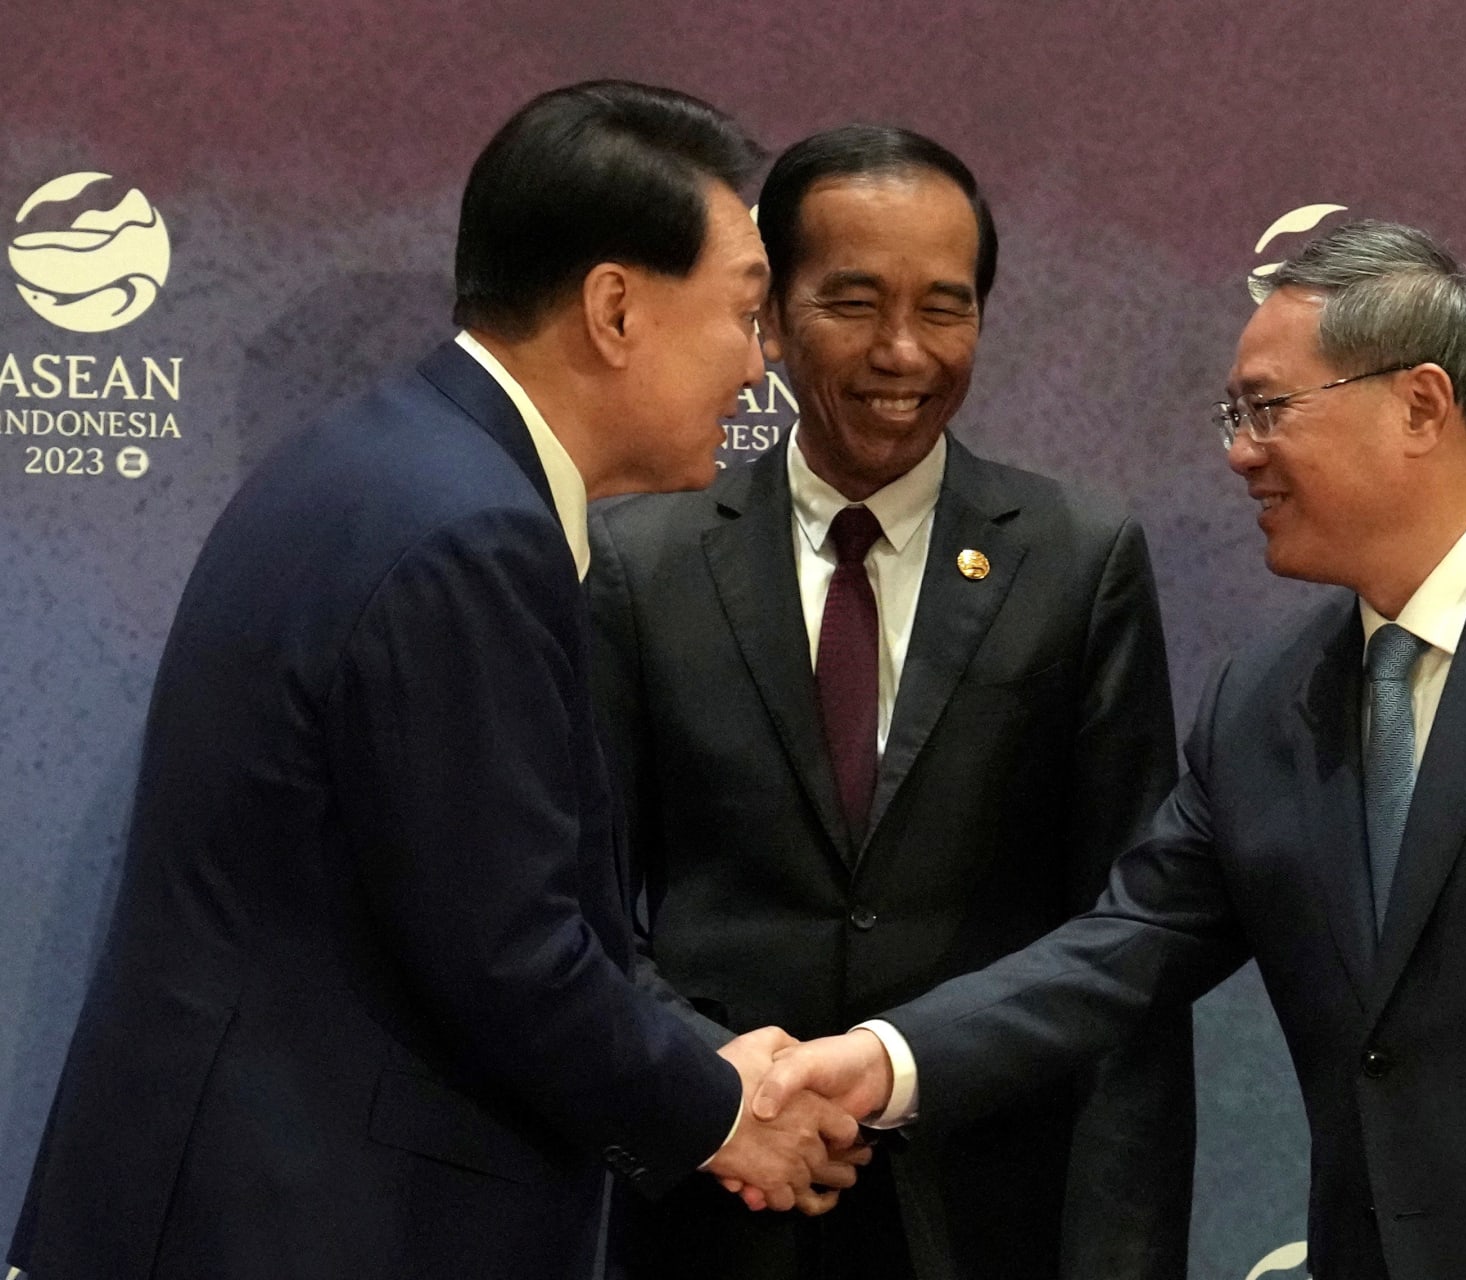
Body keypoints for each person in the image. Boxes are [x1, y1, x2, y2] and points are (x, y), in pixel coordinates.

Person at [757, 220, 1466, 1280]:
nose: (1241, 454)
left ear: (1420, 402)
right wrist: (884, 1057)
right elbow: (1120, 947)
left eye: (1266, 409)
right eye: (1233, 417)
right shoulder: (1267, 696)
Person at [7, 81, 865, 1280]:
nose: (758, 364)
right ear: (615, 307)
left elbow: (474, 908)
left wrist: (699, 1060)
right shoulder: (465, 531)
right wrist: (723, 1109)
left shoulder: (397, 464)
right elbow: (510, 956)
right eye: (744, 314)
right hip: (298, 1226)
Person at [589, 125, 1193, 1280]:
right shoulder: (638, 564)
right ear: (769, 314)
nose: (903, 352)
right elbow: (584, 908)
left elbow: (1128, 938)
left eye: (945, 308)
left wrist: (1124, 1251)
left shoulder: (1077, 558)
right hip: (712, 1196)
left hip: (987, 1206)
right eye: (855, 302)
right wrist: (717, 1086)